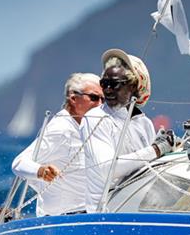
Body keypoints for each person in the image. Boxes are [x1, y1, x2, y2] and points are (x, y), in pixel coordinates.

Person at [81, 49, 175, 212]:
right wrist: (157, 149)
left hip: (136, 207)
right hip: (104, 213)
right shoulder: (95, 118)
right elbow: (108, 169)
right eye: (104, 83)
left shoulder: (144, 123)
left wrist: (168, 150)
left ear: (133, 86)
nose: (107, 90)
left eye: (115, 84)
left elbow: (146, 168)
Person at [11, 73, 104, 216]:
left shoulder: (90, 126)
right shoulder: (61, 129)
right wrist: (41, 171)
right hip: (63, 220)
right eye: (94, 98)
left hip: (89, 215)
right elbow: (18, 163)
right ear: (73, 98)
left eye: (103, 99)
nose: (100, 104)